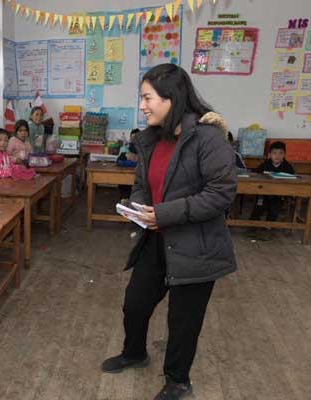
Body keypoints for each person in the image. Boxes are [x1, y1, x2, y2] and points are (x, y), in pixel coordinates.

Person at [100, 64, 237, 400]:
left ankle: (178, 379)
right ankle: (134, 353)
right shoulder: (151, 139)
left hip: (197, 248)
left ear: (171, 98)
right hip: (156, 240)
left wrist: (162, 214)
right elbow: (140, 184)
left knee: (183, 320)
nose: (143, 105)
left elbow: (220, 194)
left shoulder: (208, 138)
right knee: (135, 304)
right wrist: (138, 207)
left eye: (148, 98)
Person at [250, 141, 295, 222]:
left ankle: (269, 225)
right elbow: (256, 173)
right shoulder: (265, 164)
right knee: (259, 205)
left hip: (279, 194)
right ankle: (253, 225)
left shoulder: (287, 166)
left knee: (275, 207)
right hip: (263, 193)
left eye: (281, 153)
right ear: (269, 155)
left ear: (284, 155)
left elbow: (292, 178)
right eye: (274, 153)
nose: (277, 156)